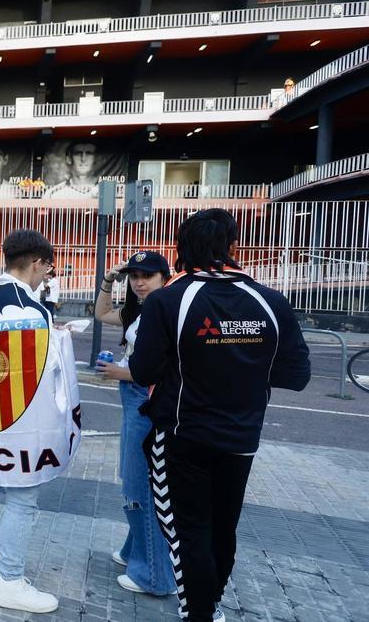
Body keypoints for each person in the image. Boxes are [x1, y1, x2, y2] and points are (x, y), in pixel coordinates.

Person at [130, 209, 310, 622]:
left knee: (188, 533)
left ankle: (199, 613)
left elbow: (142, 371)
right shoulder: (271, 300)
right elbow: (296, 375)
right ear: (232, 247)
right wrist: (241, 367)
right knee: (222, 529)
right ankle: (208, 608)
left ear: (182, 248)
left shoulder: (168, 300)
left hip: (182, 435)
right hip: (241, 438)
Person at [0, 229, 81, 614]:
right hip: (23, 420)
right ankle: (9, 580)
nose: (47, 275)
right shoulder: (36, 309)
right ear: (36, 262)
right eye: (48, 268)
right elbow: (50, 372)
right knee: (22, 494)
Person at [93, 250, 176, 598]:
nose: (140, 282)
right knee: (134, 477)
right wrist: (109, 280)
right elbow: (100, 314)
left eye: (148, 276)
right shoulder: (140, 310)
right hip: (133, 395)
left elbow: (164, 368)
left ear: (164, 278)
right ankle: (134, 552)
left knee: (139, 484)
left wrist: (119, 373)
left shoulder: (168, 311)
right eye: (135, 277)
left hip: (145, 396)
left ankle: (155, 576)